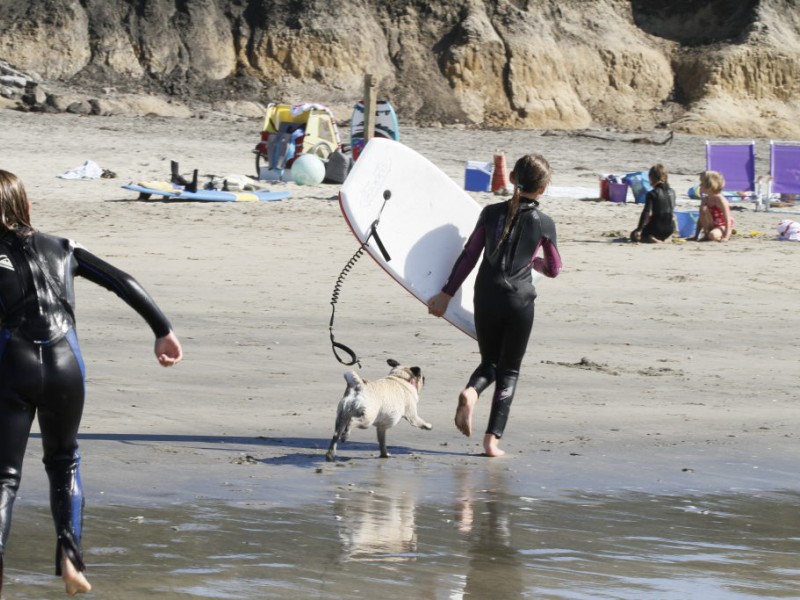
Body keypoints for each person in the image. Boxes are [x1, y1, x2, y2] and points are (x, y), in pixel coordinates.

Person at [0, 170, 183, 596]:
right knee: (63, 461)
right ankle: (70, 560)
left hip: (14, 364)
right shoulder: (64, 247)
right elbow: (123, 281)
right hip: (67, 366)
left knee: (5, 476)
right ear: (27, 207)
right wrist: (163, 330)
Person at [427, 154, 562, 457]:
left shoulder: (490, 213)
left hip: (485, 295)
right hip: (520, 300)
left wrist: (446, 295)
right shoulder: (545, 223)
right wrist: (534, 261)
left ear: (512, 178)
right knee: (509, 370)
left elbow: (469, 255)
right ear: (543, 189)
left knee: (490, 361)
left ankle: (471, 392)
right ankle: (491, 441)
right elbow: (554, 269)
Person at [630, 164, 676, 243]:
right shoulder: (672, 192)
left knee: (633, 235)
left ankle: (651, 238)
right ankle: (666, 238)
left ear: (651, 178)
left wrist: (639, 229)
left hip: (656, 229)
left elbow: (646, 212)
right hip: (670, 229)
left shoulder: (652, 193)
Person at [693, 170, 734, 242]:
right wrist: (696, 235)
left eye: (702, 183)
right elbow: (700, 218)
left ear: (709, 186)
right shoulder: (705, 200)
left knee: (712, 235)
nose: (700, 185)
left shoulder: (720, 201)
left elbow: (727, 220)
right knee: (703, 209)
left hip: (722, 225)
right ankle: (706, 234)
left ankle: (728, 232)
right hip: (711, 225)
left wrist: (726, 237)